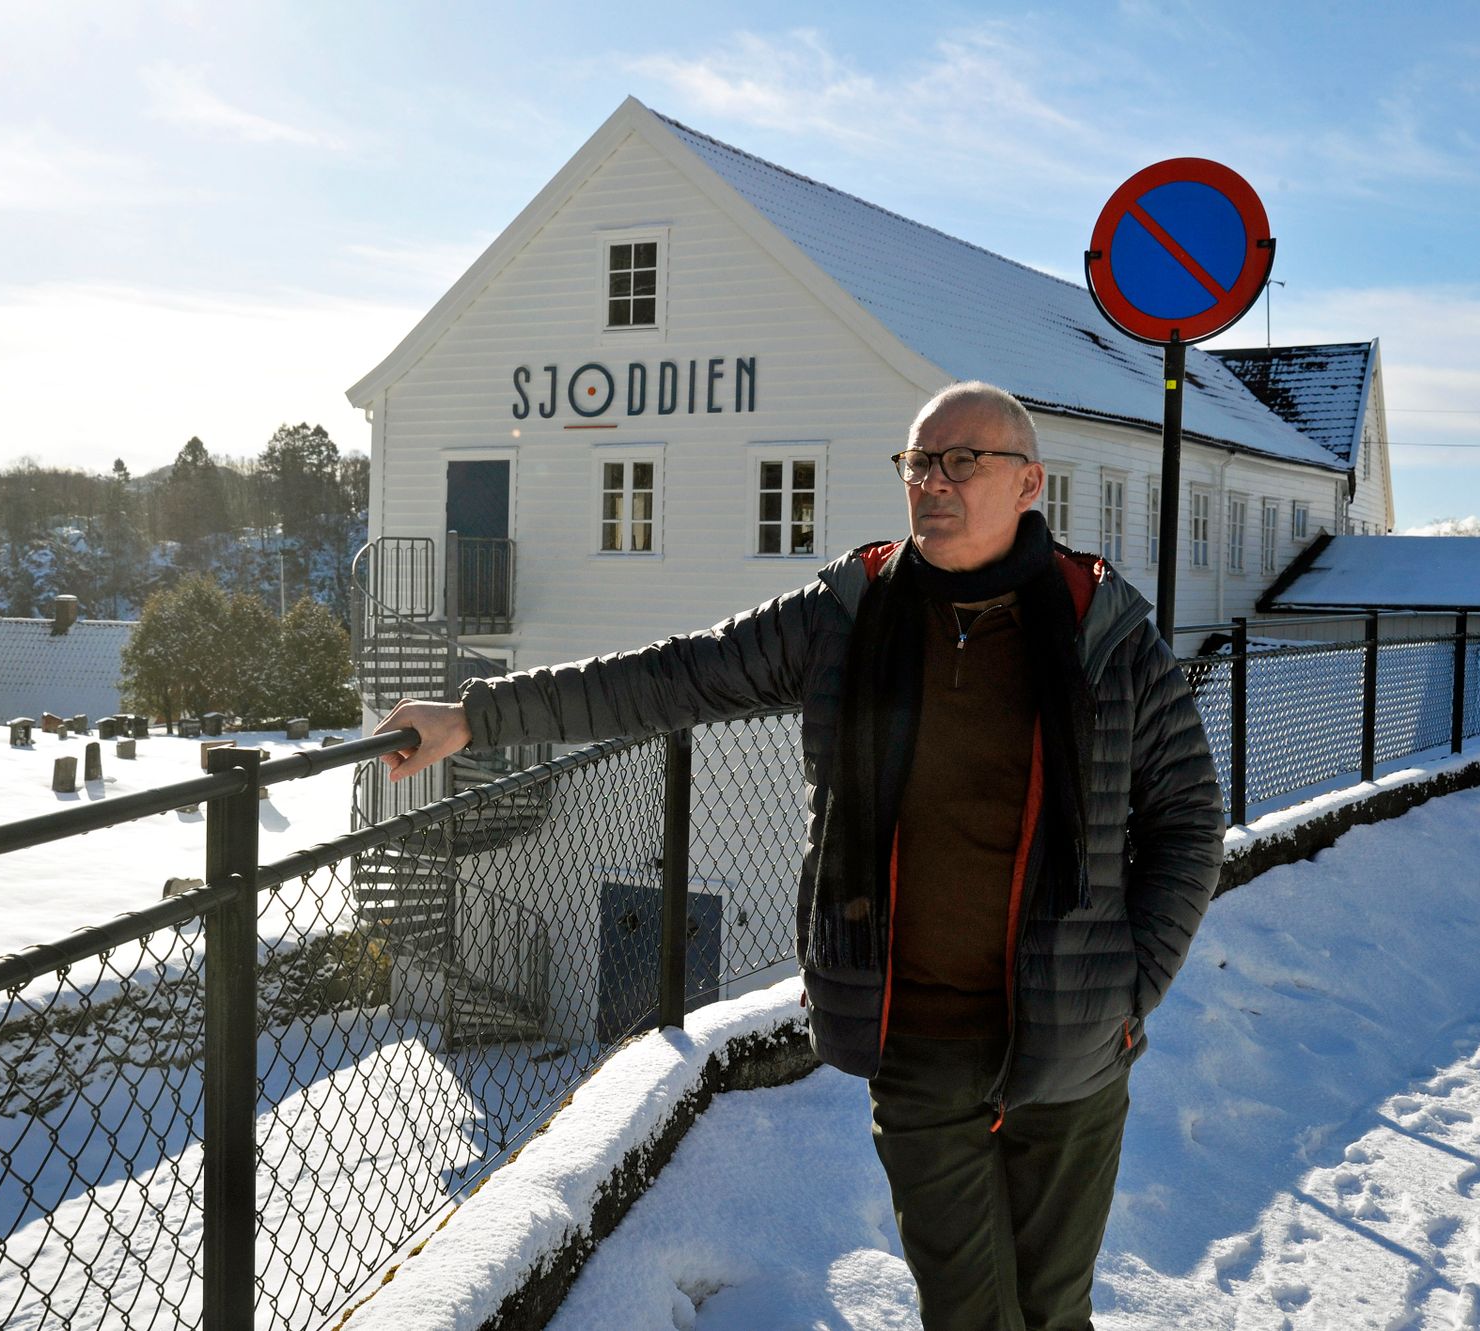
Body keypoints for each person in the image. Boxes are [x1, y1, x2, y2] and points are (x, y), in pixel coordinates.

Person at [377, 381, 1224, 1331]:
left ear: (1029, 483)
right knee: (969, 1315)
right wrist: (477, 716)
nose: (931, 483)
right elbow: (676, 675)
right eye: (917, 461)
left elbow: (1189, 819)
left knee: (1055, 1309)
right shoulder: (849, 614)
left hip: (1074, 1049)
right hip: (918, 1041)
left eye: (960, 461)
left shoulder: (1103, 627)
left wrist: (1130, 984)